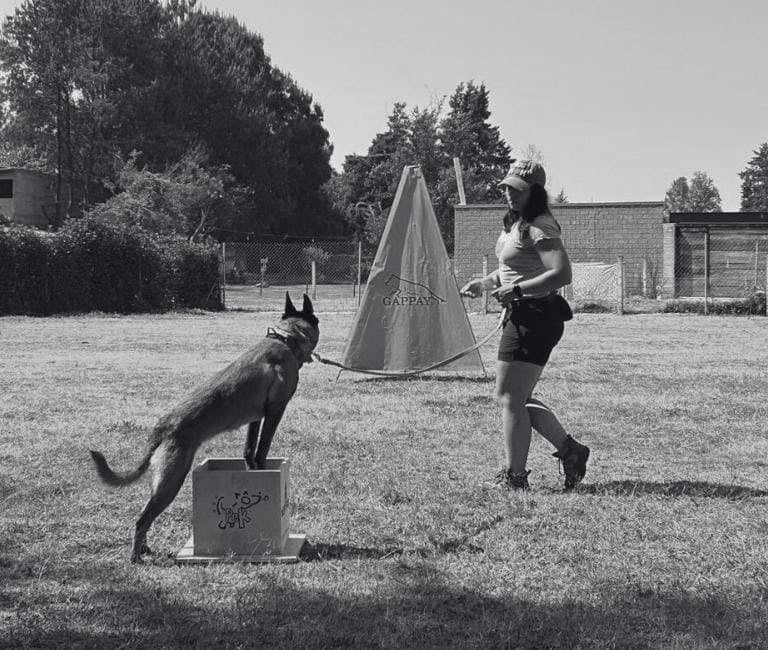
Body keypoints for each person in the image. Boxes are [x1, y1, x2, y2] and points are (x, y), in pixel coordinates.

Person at [460, 159, 590, 491]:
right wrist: (485, 283)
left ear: (534, 191)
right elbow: (512, 270)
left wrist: (517, 290)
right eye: (506, 187)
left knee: (509, 397)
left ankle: (515, 477)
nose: (508, 194)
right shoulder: (515, 224)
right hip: (523, 314)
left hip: (536, 317)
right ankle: (570, 451)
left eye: (517, 189)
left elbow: (561, 274)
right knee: (518, 396)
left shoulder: (540, 226)